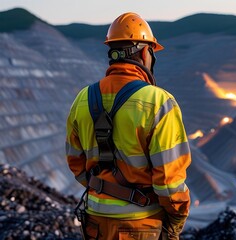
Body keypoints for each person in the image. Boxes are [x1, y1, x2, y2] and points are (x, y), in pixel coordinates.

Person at [66, 12, 191, 240]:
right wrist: (175, 222)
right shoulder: (159, 102)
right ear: (145, 52)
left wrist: (103, 189)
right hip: (140, 225)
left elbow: (76, 162)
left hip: (95, 222)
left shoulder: (82, 99)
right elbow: (169, 182)